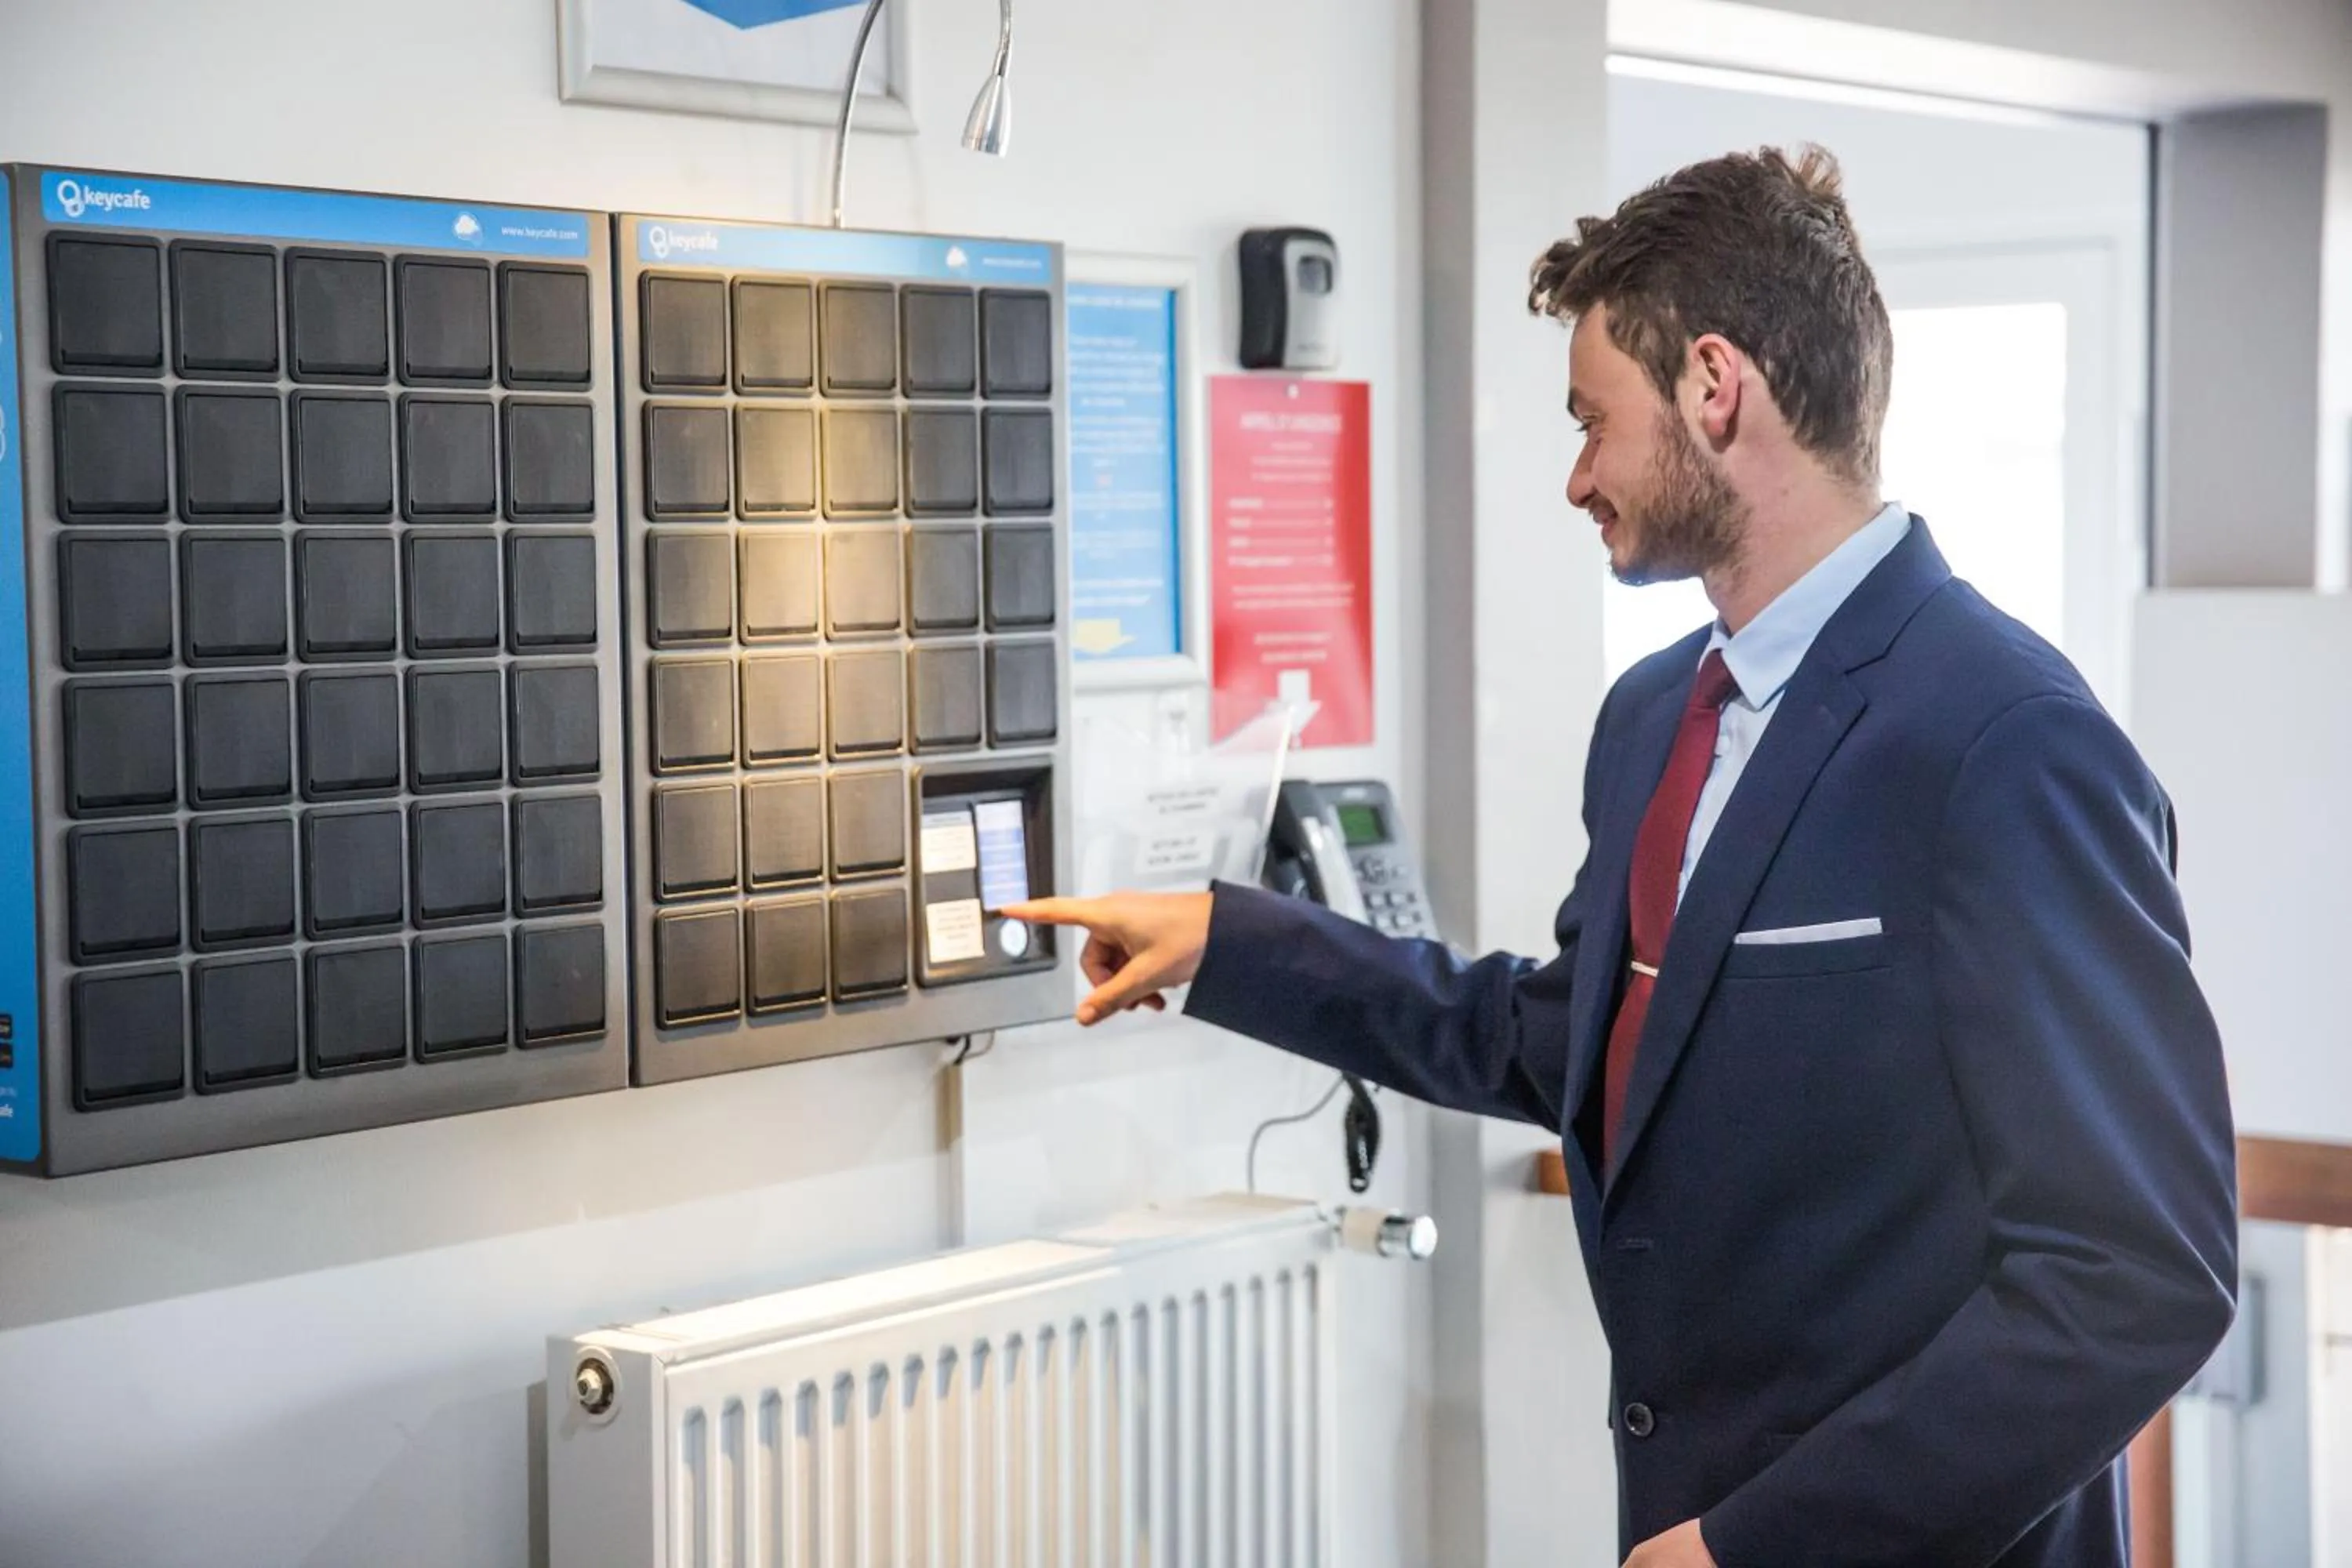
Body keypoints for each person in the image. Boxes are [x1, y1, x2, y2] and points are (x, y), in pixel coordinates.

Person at [1007, 144, 2238, 1567]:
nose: (1577, 477)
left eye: (1594, 421)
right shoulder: (1657, 718)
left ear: (1715, 387)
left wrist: (1762, 1544)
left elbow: (2138, 1277)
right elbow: (1568, 1047)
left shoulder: (2007, 741)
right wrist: (1235, 946)